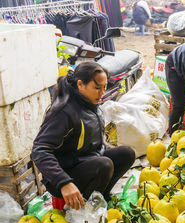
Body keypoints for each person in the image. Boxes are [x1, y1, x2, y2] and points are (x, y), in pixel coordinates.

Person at [32, 62, 136, 210]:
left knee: (126, 153)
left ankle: (101, 198)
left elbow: (90, 142)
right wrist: (63, 182)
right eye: (97, 88)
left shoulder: (92, 105)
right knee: (104, 165)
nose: (102, 92)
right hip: (64, 175)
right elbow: (39, 150)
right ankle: (84, 211)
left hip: (86, 161)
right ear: (80, 84)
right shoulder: (64, 112)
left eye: (104, 87)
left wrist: (107, 148)